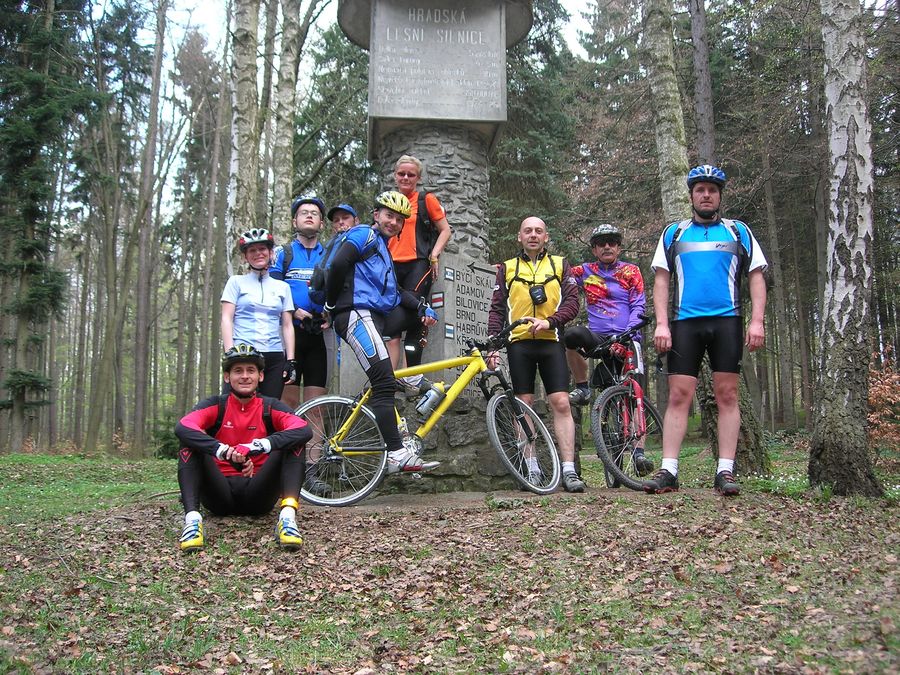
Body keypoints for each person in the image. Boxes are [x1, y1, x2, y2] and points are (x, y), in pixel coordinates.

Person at [646, 164, 767, 496]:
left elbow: (756, 275)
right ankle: (669, 471)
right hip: (684, 323)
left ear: (720, 196)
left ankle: (725, 470)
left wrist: (757, 321)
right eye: (700, 190)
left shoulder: (738, 231)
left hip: (727, 321)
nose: (706, 195)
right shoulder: (674, 233)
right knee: (678, 395)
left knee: (727, 395)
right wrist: (661, 323)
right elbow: (661, 280)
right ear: (691, 196)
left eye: (712, 190)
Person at [322, 190, 440, 474]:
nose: (393, 222)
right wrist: (331, 303)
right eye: (389, 216)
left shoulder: (383, 251)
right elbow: (338, 264)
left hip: (374, 317)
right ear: (376, 215)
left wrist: (422, 307)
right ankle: (396, 454)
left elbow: (396, 292)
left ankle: (411, 377)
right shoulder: (364, 234)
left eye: (399, 220)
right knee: (384, 382)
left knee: (412, 321)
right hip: (355, 313)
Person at [175, 344, 312, 552]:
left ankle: (288, 518)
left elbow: (303, 429)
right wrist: (222, 450)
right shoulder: (216, 405)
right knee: (189, 441)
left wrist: (257, 446)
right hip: (219, 495)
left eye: (251, 370)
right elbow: (183, 426)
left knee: (294, 441)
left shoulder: (270, 406)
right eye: (238, 371)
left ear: (261, 376)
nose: (245, 376)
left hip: (259, 494)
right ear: (227, 377)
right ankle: (192, 522)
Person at [486, 216, 585, 493]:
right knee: (523, 403)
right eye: (527, 231)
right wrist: (493, 345)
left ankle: (569, 470)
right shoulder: (507, 268)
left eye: (538, 231)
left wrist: (550, 322)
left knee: (561, 402)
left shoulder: (560, 264)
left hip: (551, 340)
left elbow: (572, 303)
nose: (533, 235)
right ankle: (532, 469)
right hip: (518, 343)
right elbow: (497, 309)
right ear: (519, 236)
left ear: (545, 237)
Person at [563, 223, 652, 475]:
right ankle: (583, 388)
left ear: (619, 247)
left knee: (635, 394)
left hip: (628, 336)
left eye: (612, 242)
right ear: (594, 249)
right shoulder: (584, 271)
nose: (607, 247)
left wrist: (627, 335)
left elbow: (638, 305)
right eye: (601, 243)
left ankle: (639, 453)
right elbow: (556, 273)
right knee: (571, 336)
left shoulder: (631, 271)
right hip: (599, 337)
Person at [387, 155, 452, 368]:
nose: (406, 178)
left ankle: (410, 376)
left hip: (418, 264)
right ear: (395, 176)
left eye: (411, 174)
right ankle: (389, 378)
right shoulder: (388, 201)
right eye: (401, 174)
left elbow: (445, 230)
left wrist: (434, 255)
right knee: (393, 319)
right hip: (391, 265)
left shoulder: (426, 199)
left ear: (418, 178)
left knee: (413, 312)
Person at [270, 195, 329, 411]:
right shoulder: (282, 253)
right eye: (304, 213)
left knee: (317, 407)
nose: (309, 216)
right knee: (287, 404)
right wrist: (294, 311)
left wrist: (330, 314)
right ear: (295, 222)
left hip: (319, 334)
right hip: (289, 334)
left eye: (314, 214)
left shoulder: (329, 254)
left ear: (322, 224)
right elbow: (273, 290)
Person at [221, 228, 295, 399]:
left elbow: (287, 325)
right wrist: (230, 353)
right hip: (242, 354)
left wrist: (290, 359)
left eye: (262, 249)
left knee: (269, 408)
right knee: (233, 406)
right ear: (245, 257)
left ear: (270, 252)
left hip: (274, 356)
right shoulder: (235, 282)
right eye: (252, 250)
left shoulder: (283, 287)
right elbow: (226, 318)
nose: (258, 253)